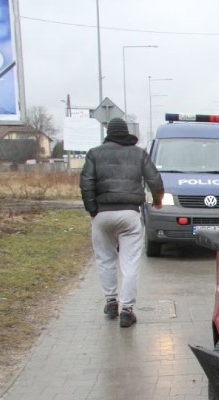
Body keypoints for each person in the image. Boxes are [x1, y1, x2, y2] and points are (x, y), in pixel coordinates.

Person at [80, 117, 164, 328]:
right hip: (129, 213)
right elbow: (154, 179)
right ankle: (127, 310)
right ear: (126, 134)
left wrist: (92, 210)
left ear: (108, 134)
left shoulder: (94, 154)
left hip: (102, 214)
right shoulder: (138, 153)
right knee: (130, 263)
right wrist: (158, 200)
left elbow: (86, 183)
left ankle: (111, 302)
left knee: (105, 259)